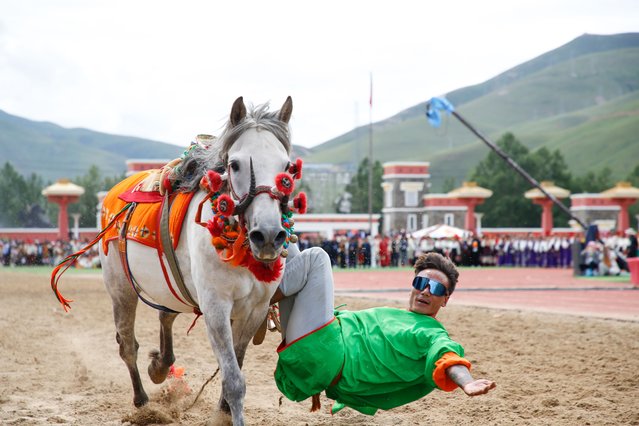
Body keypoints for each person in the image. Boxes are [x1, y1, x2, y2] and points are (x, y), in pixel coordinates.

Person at [271, 245, 496, 415]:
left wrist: (466, 381)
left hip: (323, 351)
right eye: (420, 283)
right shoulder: (398, 317)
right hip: (313, 347)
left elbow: (446, 356)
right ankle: (257, 300)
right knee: (289, 250)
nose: (425, 291)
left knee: (317, 257)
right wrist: (348, 397)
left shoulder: (431, 333)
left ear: (445, 300)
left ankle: (257, 302)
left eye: (435, 288)